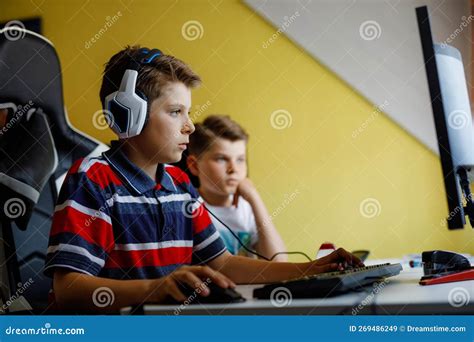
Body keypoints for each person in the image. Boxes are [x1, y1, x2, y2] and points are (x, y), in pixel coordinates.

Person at [44, 45, 363, 312]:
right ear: (129, 114)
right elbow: (68, 288)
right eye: (175, 112)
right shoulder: (94, 179)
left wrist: (310, 270)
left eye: (188, 112)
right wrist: (156, 289)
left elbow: (223, 263)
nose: (189, 126)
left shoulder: (179, 185)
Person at [187, 115, 287, 261]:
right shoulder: (185, 208)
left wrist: (254, 199)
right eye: (221, 159)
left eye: (240, 159)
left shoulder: (247, 208)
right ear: (194, 165)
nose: (233, 169)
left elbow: (278, 262)